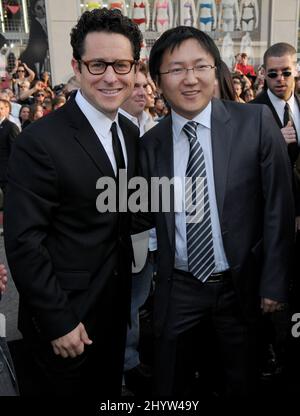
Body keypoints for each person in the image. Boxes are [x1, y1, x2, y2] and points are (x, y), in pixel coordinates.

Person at [138, 26, 294, 398]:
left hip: (241, 288)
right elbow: (143, 218)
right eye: (176, 69)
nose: (190, 79)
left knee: (240, 382)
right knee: (170, 385)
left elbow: (278, 208)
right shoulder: (149, 146)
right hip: (179, 288)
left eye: (200, 66)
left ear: (215, 70)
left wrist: (273, 283)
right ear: (158, 81)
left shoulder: (254, 124)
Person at [4, 8, 142, 397]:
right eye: (98, 64)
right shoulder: (40, 142)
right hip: (65, 324)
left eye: (121, 64)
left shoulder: (129, 133)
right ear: (77, 67)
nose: (111, 77)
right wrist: (58, 320)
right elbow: (23, 243)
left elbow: (123, 213)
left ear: (134, 68)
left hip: (114, 313)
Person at [251, 42, 300, 378]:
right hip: (267, 221)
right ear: (263, 75)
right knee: (267, 293)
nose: (280, 79)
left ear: (295, 70)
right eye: (273, 73)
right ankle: (266, 351)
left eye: (286, 72)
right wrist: (276, 144)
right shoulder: (251, 114)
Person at [119, 64, 157, 394]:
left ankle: (133, 360)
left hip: (155, 234)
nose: (143, 91)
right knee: (128, 302)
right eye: (136, 86)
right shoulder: (116, 132)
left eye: (146, 86)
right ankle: (125, 364)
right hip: (129, 234)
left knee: (142, 298)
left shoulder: (153, 125)